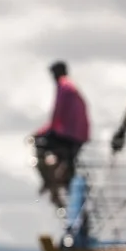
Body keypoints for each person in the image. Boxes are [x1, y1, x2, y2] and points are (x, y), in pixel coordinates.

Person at [32, 61, 90, 209]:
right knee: (67, 161)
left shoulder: (63, 87)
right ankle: (61, 178)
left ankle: (49, 180)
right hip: (78, 135)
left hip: (68, 134)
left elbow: (57, 116)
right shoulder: (71, 86)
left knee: (38, 145)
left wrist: (40, 133)